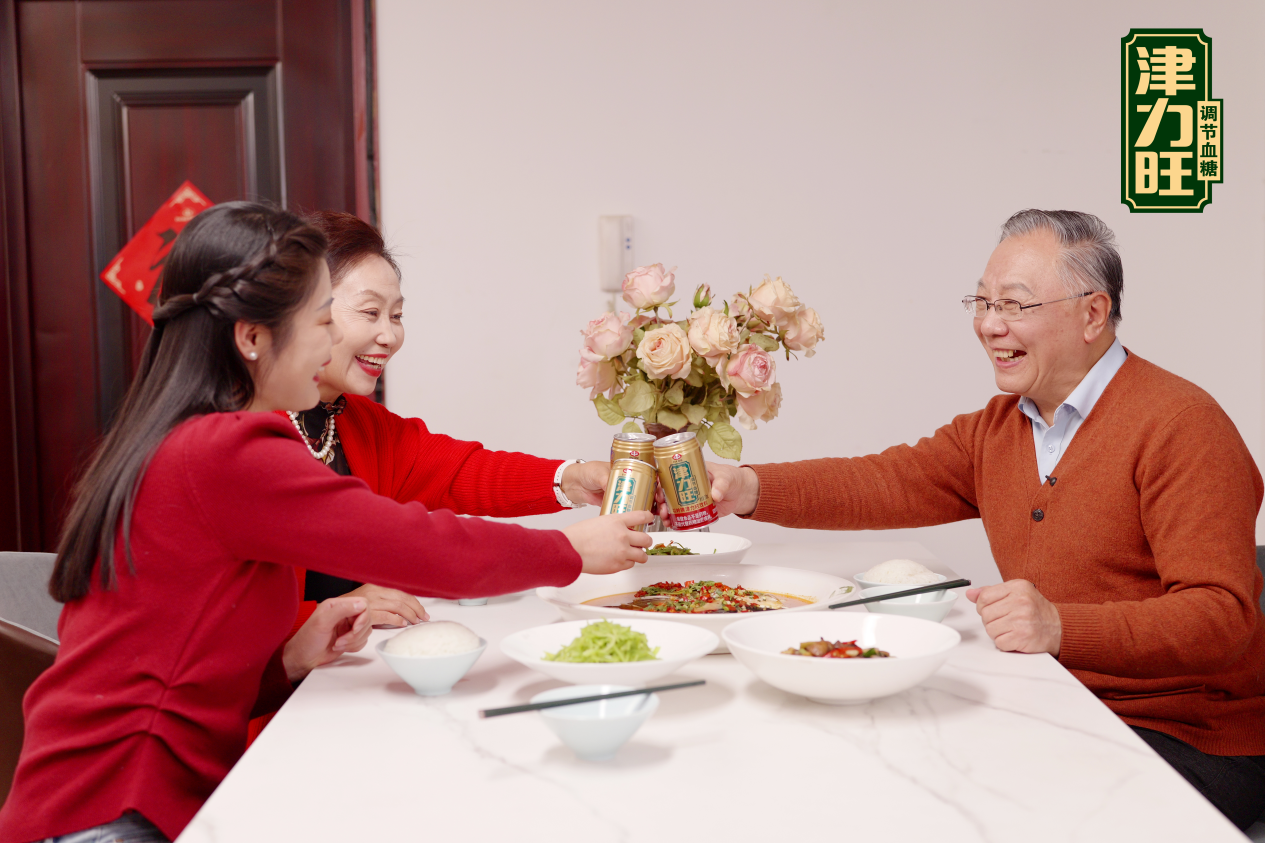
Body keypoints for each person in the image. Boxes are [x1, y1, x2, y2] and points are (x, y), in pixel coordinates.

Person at [0, 202, 652, 843]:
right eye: (323, 319)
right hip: (115, 809)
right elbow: (414, 544)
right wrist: (568, 548)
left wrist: (284, 660)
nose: (332, 341)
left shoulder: (186, 436)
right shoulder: (226, 451)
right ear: (252, 337)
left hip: (123, 797)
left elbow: (175, 662)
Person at [702, 209, 1265, 829]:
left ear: (1093, 314)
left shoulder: (1181, 425)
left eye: (1016, 305)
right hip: (1059, 702)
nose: (990, 325)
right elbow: (886, 481)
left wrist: (1058, 627)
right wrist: (747, 486)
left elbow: (1221, 616)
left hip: (1186, 733)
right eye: (982, 301)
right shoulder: (1001, 428)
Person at [283, 211, 613, 629]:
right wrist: (567, 549)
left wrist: (572, 478)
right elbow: (220, 617)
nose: (389, 336)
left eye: (397, 315)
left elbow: (459, 471)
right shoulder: (248, 433)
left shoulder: (354, 420)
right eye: (370, 312)